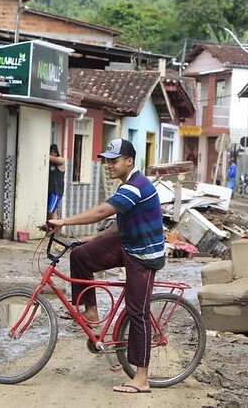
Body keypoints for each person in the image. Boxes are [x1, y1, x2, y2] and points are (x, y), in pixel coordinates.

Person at [46, 138, 164, 394]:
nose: (109, 165)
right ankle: (91, 312)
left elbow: (102, 212)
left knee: (137, 312)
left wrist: (63, 222)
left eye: (114, 160)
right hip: (128, 243)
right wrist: (92, 238)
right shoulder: (127, 185)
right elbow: (118, 224)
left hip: (143, 255)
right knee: (80, 255)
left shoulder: (135, 186)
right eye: (107, 161)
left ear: (129, 161)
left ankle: (141, 379)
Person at [47, 144, 66, 220]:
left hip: (56, 191)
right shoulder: (50, 163)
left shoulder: (61, 160)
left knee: (50, 211)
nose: (53, 154)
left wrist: (43, 153)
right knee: (53, 211)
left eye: (54, 152)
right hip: (50, 189)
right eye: (51, 152)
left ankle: (51, 229)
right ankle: (52, 230)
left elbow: (51, 158)